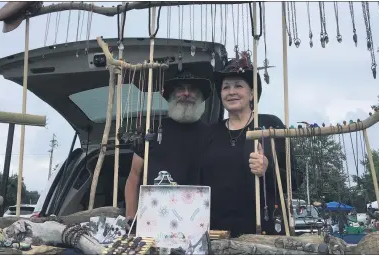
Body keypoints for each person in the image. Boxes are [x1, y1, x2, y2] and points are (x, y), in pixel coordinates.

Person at [199, 52, 301, 237]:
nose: (231, 92)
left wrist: (268, 169)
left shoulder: (271, 126)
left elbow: (295, 180)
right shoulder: (209, 133)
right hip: (218, 233)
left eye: (239, 86)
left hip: (264, 233)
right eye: (226, 87)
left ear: (252, 93)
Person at [124, 69, 212, 220]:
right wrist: (130, 216)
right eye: (180, 89)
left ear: (200, 96)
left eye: (192, 89)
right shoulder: (150, 132)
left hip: (196, 220)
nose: (186, 93)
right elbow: (134, 176)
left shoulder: (211, 135)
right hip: (153, 219)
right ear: (171, 95)